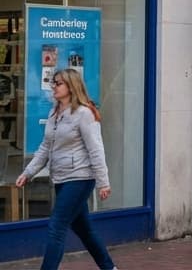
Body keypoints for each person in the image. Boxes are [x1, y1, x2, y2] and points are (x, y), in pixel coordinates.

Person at [16, 67, 119, 270]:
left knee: (56, 226)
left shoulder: (84, 113)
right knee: (84, 230)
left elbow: (96, 150)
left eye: (58, 83)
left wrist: (103, 182)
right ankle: (109, 268)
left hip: (80, 178)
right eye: (53, 82)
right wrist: (28, 172)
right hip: (62, 178)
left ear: (71, 87)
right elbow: (45, 148)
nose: (53, 86)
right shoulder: (55, 113)